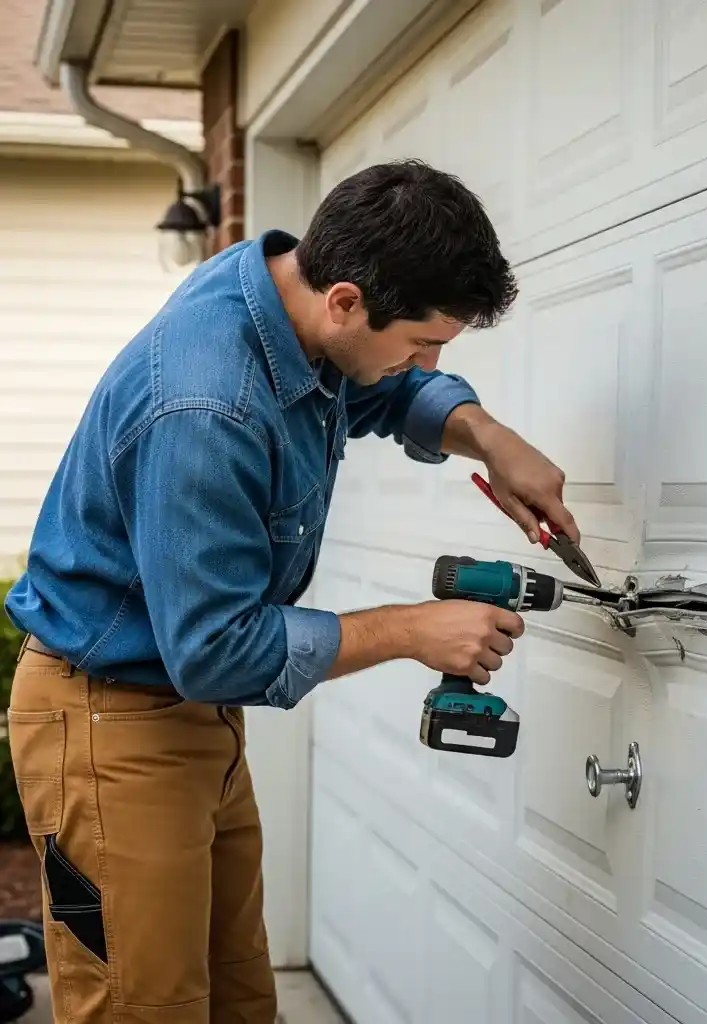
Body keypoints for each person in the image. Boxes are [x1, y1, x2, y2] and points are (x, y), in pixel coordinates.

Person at [3, 159, 581, 1023]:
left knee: (240, 999)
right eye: (423, 343)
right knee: (141, 1009)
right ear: (346, 299)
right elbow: (215, 648)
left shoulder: (286, 300)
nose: (425, 364)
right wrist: (413, 631)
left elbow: (373, 387)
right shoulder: (207, 404)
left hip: (192, 717)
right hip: (108, 721)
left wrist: (486, 435)